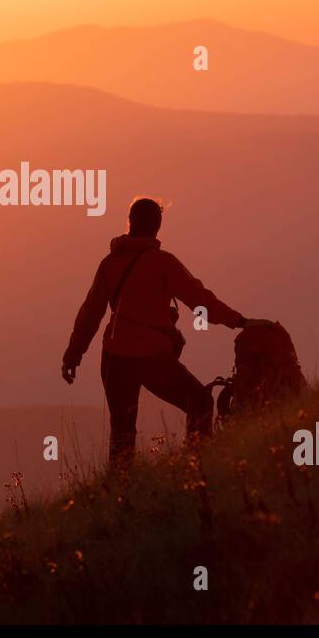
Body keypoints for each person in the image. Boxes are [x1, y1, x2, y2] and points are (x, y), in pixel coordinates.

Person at [61, 197, 251, 466]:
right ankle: (198, 468)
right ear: (157, 227)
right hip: (153, 359)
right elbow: (200, 300)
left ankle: (120, 495)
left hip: (114, 359)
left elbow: (90, 313)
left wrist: (73, 355)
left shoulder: (109, 264)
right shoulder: (163, 263)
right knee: (200, 403)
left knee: (122, 435)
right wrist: (240, 321)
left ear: (130, 223)